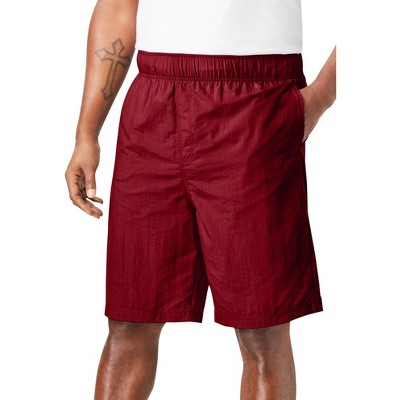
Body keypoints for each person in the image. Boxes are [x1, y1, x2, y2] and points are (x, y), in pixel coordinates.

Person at [65, 0, 336, 398]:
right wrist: (86, 134)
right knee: (130, 320)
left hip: (257, 102)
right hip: (153, 104)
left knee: (262, 328)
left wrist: (320, 98)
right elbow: (118, 8)